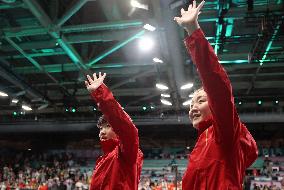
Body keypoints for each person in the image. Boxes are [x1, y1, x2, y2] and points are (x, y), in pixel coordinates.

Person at [174, 1, 258, 189]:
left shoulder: (225, 134)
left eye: (201, 101)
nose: (193, 107)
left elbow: (217, 87)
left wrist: (193, 31)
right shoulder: (202, 144)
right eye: (190, 105)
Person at [84, 72, 143, 190]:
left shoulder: (127, 153)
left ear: (118, 128)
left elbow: (126, 128)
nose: (102, 131)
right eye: (100, 128)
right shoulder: (103, 160)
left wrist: (100, 94)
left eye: (107, 126)